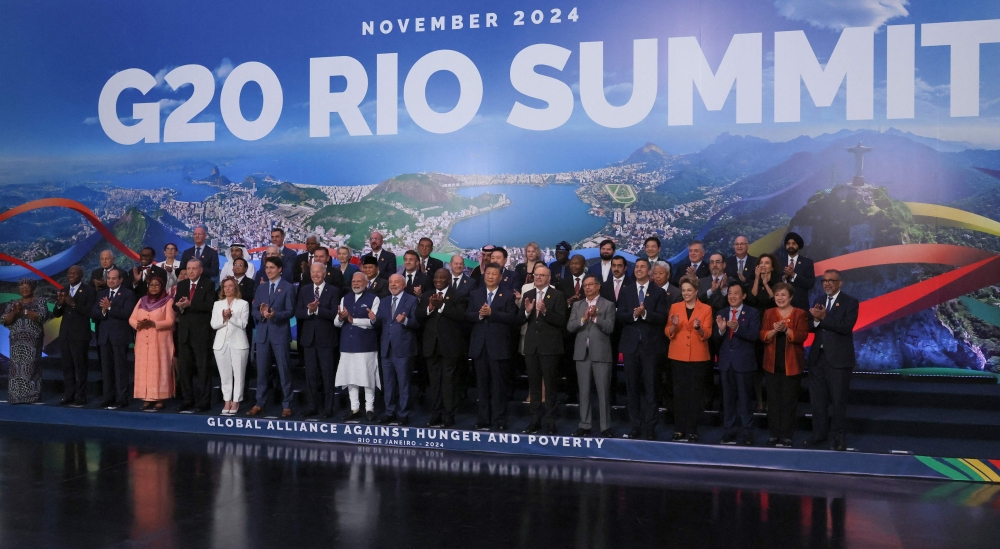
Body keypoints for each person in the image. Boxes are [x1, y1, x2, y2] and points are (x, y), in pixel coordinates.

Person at [806, 270, 859, 452]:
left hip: (839, 360)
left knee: (838, 401)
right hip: (817, 358)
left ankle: (839, 438)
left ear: (839, 283)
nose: (827, 284)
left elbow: (845, 327)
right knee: (817, 401)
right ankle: (819, 435)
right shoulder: (818, 300)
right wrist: (813, 320)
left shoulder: (850, 302)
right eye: (824, 281)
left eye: (831, 280)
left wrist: (823, 318)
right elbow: (811, 328)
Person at [617, 258, 669, 440]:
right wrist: (633, 315)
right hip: (631, 347)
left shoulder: (659, 292)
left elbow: (662, 317)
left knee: (651, 389)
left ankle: (650, 428)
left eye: (642, 267)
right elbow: (620, 315)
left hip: (651, 347)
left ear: (650, 272)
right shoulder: (626, 291)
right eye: (636, 267)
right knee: (632, 389)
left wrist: (645, 314)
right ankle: (635, 426)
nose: (638, 269)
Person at [465, 263, 519, 431]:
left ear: (500, 277)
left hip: (499, 348)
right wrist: (480, 315)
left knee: (498, 387)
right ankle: (483, 419)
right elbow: (467, 315)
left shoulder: (508, 296)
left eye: (494, 274)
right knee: (482, 386)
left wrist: (492, 314)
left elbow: (512, 318)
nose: (490, 276)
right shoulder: (475, 294)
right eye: (488, 273)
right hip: (480, 347)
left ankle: (500, 419)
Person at [518, 265, 567, 435]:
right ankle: (535, 420)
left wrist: (545, 312)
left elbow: (562, 321)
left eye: (542, 275)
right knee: (534, 386)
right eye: (536, 275)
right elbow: (519, 320)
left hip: (550, 347)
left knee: (551, 386)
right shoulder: (528, 294)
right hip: (532, 347)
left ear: (549, 277)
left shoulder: (558, 295)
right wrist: (526, 312)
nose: (538, 278)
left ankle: (551, 421)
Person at [417, 268, 469, 428]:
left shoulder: (458, 295)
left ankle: (448, 415)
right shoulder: (427, 295)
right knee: (434, 383)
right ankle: (436, 414)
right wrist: (431, 307)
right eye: (436, 277)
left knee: (449, 383)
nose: (438, 280)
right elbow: (419, 316)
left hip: (450, 347)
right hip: (431, 347)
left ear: (448, 279)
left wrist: (442, 307)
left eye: (442, 277)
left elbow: (462, 317)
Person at [760, 283, 809, 448]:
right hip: (771, 365)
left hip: (792, 364)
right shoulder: (768, 313)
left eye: (783, 295)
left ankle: (787, 436)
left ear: (791, 297)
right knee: (773, 402)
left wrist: (786, 329)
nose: (780, 298)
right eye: (777, 295)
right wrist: (775, 331)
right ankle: (774, 435)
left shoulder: (800, 314)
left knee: (789, 402)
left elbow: (802, 336)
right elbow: (762, 335)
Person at [567, 274, 616, 437]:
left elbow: (610, 328)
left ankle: (605, 426)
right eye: (585, 285)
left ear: (598, 286)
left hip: (601, 354)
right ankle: (584, 424)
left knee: (603, 392)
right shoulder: (577, 305)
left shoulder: (608, 305)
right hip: (582, 354)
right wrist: (584, 318)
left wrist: (595, 319)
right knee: (584, 392)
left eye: (591, 284)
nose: (587, 287)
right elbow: (570, 327)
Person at [712, 282, 760, 446]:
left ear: (744, 296)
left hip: (744, 363)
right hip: (726, 363)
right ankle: (729, 431)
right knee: (728, 399)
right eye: (730, 293)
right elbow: (715, 339)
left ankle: (747, 433)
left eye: (736, 293)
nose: (732, 296)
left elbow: (754, 336)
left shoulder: (752, 313)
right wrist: (721, 330)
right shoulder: (722, 312)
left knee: (746, 400)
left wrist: (738, 328)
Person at [665, 278, 713, 442]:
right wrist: (673, 326)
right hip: (677, 355)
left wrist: (698, 328)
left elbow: (707, 334)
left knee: (694, 395)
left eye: (689, 290)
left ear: (696, 291)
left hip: (698, 357)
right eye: (684, 290)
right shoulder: (675, 307)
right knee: (679, 394)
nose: (686, 293)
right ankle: (679, 429)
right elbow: (668, 331)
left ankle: (692, 429)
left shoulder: (706, 309)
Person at [248, 256, 296, 417]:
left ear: (280, 269)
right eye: (267, 267)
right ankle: (260, 403)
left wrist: (275, 314)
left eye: (272, 268)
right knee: (261, 371)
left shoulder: (288, 287)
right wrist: (261, 313)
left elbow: (290, 311)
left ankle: (287, 405)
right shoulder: (261, 288)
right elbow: (254, 310)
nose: (268, 270)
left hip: (280, 333)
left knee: (284, 370)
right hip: (262, 334)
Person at [371, 274, 420, 425]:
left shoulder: (412, 300)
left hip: (403, 349)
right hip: (386, 349)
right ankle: (389, 411)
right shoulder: (384, 301)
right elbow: (379, 323)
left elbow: (418, 324)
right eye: (391, 282)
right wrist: (373, 319)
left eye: (396, 282)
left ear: (403, 285)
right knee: (389, 383)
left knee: (403, 382)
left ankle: (403, 413)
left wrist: (404, 320)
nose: (393, 285)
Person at [294, 263, 340, 418]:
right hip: (308, 339)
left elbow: (335, 313)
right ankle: (312, 406)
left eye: (318, 272)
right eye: (312, 272)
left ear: (325, 273)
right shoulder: (304, 290)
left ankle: (328, 408)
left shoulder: (333, 290)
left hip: (326, 339)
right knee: (311, 376)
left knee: (327, 375)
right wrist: (309, 311)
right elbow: (298, 312)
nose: (315, 275)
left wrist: (318, 310)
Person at [335, 272, 382, 422]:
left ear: (366, 283)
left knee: (367, 377)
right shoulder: (345, 298)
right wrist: (341, 318)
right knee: (350, 377)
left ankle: (369, 408)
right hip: (347, 344)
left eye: (359, 281)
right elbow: (337, 323)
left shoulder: (374, 299)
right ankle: (354, 408)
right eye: (354, 281)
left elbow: (374, 323)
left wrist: (353, 320)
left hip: (366, 345)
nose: (355, 284)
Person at [174, 259, 217, 412]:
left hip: (201, 334)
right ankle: (187, 400)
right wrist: (179, 305)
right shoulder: (182, 284)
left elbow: (210, 305)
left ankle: (205, 401)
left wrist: (190, 304)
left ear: (200, 270)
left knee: (203, 368)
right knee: (185, 369)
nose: (191, 271)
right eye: (189, 268)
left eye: (194, 268)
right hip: (184, 333)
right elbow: (175, 304)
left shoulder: (209, 284)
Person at [91, 268, 136, 409]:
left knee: (120, 368)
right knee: (106, 369)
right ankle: (108, 397)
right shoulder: (101, 294)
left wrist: (110, 308)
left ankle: (122, 398)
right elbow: (94, 313)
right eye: (109, 278)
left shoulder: (128, 294)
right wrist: (103, 311)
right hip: (104, 337)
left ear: (120, 280)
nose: (110, 281)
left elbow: (127, 313)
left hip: (119, 337)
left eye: (114, 278)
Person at [129, 276, 175, 410]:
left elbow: (170, 321)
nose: (153, 287)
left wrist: (154, 323)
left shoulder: (168, 301)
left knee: (159, 369)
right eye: (151, 285)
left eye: (157, 285)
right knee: (144, 369)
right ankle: (147, 397)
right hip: (143, 341)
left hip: (160, 342)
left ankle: (160, 398)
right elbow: (131, 318)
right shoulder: (142, 301)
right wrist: (139, 324)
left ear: (162, 287)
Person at [2, 279, 50, 404]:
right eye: (22, 287)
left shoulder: (40, 301)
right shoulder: (13, 303)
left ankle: (32, 397)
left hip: (32, 340)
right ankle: (16, 397)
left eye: (27, 287)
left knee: (31, 367)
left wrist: (24, 311)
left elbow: (41, 317)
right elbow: (5, 321)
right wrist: (14, 312)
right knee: (16, 368)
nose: (24, 289)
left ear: (32, 288)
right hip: (16, 341)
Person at [54, 265, 96, 405]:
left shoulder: (89, 290)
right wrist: (60, 304)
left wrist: (73, 304)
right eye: (69, 273)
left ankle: (81, 396)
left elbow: (90, 312)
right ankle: (69, 395)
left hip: (80, 335)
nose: (71, 275)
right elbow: (56, 313)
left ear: (81, 275)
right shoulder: (64, 290)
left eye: (75, 273)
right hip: (65, 335)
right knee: (67, 367)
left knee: (80, 367)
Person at [211, 277, 250, 416]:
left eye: (230, 286)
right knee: (225, 375)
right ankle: (227, 400)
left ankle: (236, 400)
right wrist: (223, 318)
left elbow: (244, 324)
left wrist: (231, 317)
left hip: (239, 344)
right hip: (221, 344)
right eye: (225, 286)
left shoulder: (243, 304)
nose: (227, 288)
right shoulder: (217, 304)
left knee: (239, 374)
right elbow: (214, 324)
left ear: (235, 288)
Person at [777, 232, 816, 312]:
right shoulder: (778, 262)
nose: (790, 246)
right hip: (781, 305)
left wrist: (793, 275)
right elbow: (774, 283)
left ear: (798, 245)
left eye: (794, 243)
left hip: (800, 305)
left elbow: (810, 283)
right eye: (788, 243)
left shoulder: (807, 262)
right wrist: (784, 278)